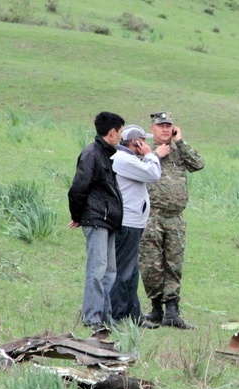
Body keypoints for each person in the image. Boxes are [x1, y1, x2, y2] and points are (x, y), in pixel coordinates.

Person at [139, 111, 205, 330]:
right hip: (152, 215)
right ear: (153, 129)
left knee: (174, 263)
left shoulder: (179, 150)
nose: (166, 129)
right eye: (161, 126)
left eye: (169, 125)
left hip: (175, 217)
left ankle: (173, 311)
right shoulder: (143, 149)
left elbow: (198, 164)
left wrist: (180, 141)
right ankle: (156, 308)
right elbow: (135, 171)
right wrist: (155, 155)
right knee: (151, 264)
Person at [67, 111, 125, 330]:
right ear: (112, 132)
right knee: (98, 270)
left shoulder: (106, 154)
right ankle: (92, 318)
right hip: (97, 219)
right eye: (120, 132)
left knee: (110, 271)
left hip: (108, 220)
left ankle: (106, 318)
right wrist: (78, 215)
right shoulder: (92, 154)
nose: (121, 136)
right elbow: (78, 188)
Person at [109, 124, 168, 327]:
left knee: (131, 270)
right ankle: (117, 315)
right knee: (123, 270)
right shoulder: (124, 159)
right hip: (128, 221)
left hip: (134, 221)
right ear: (135, 142)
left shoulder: (128, 159)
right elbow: (152, 174)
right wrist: (152, 155)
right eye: (142, 141)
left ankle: (133, 314)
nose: (145, 144)